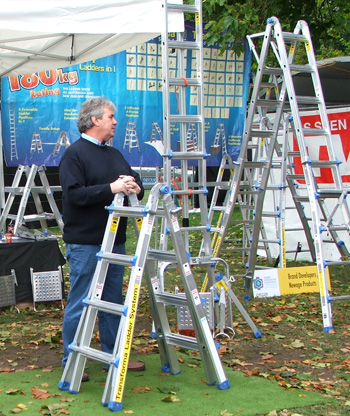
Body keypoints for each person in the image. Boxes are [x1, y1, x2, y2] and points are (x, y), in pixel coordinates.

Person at [59, 97, 145, 380]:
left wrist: (133, 186)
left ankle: (113, 355)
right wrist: (112, 187)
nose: (115, 122)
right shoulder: (74, 154)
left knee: (112, 300)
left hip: (114, 242)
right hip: (85, 242)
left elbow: (134, 181)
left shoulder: (114, 154)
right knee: (82, 300)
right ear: (95, 120)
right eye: (111, 116)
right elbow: (74, 195)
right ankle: (72, 358)